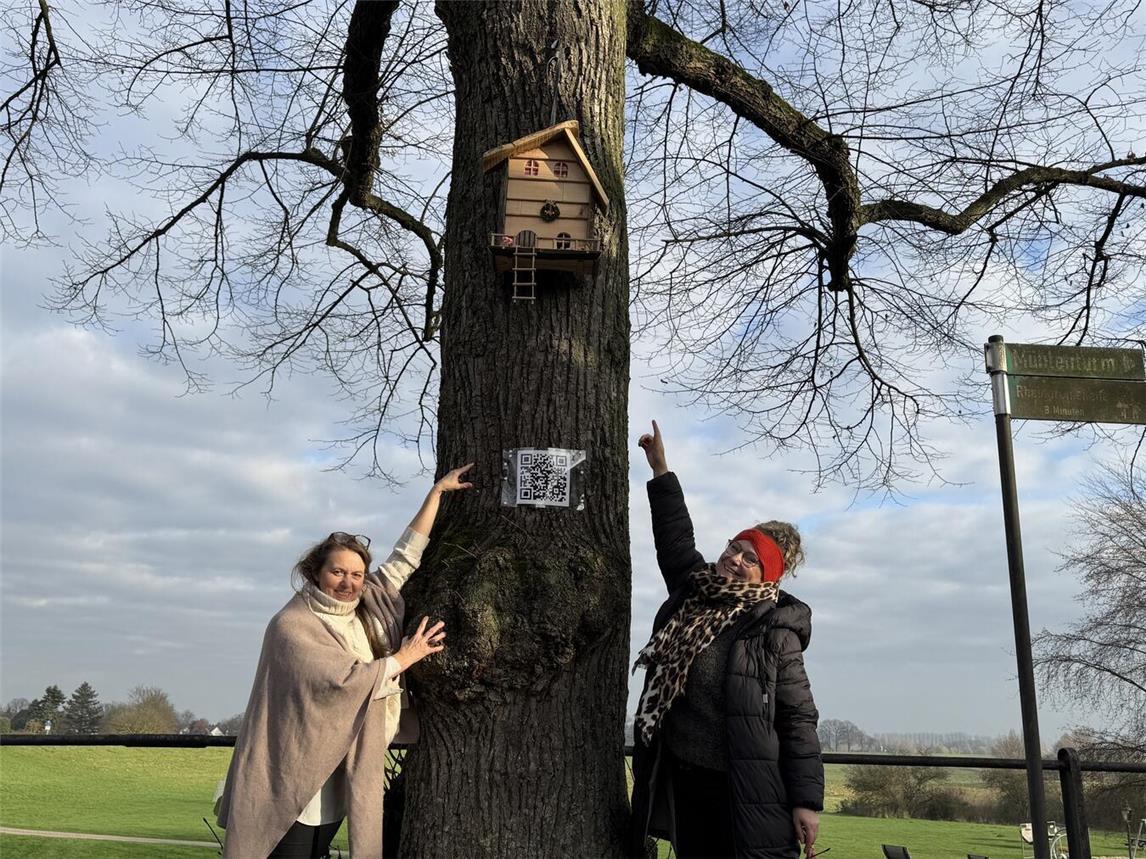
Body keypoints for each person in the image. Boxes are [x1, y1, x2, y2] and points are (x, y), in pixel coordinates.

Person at [215, 464, 474, 858]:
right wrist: (404, 657)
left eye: (357, 573)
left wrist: (436, 493)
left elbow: (406, 556)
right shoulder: (293, 625)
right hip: (296, 776)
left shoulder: (369, 602)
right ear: (315, 573)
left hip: (343, 770)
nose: (348, 582)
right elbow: (342, 681)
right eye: (337, 571)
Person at [628, 421, 824, 859]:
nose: (734, 559)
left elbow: (797, 720)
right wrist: (661, 470)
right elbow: (675, 539)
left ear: (767, 574)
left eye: (749, 558)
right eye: (734, 547)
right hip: (683, 778)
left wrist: (807, 801)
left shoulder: (775, 629)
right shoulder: (694, 590)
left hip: (744, 789)